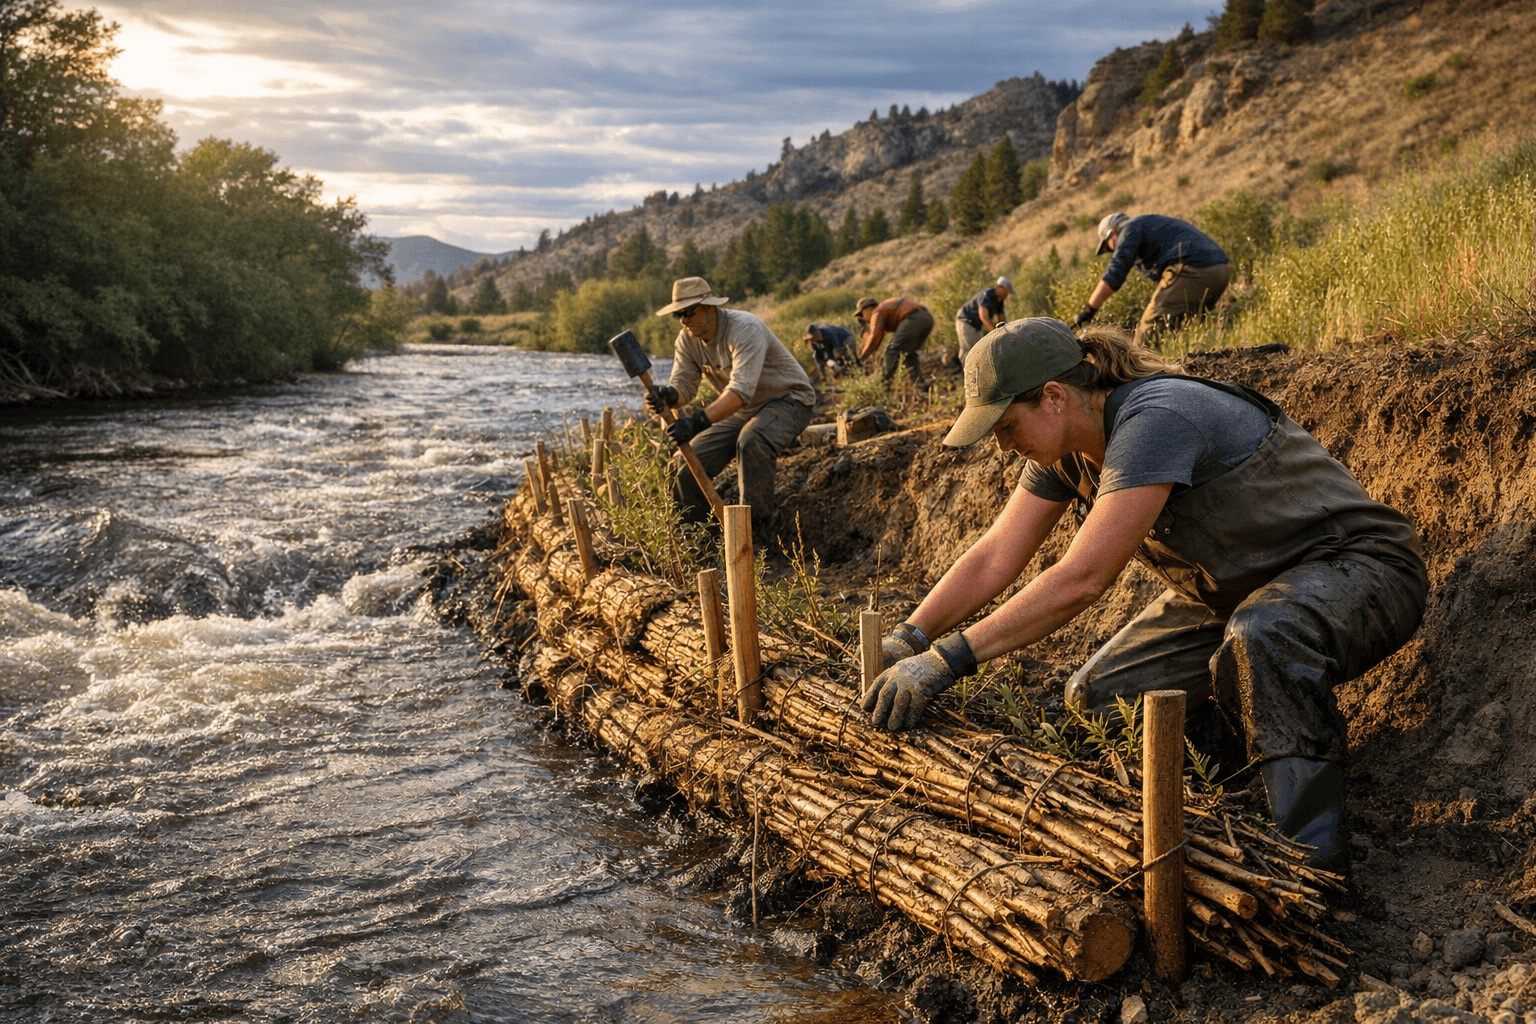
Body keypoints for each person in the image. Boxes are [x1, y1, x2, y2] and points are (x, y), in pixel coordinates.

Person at [862, 317, 1426, 871]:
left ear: (1054, 396)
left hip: (1358, 572)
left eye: (1007, 426)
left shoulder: (1156, 418)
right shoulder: (1069, 449)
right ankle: (1231, 803)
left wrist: (948, 660)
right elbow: (997, 553)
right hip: (1232, 594)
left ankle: (1312, 857)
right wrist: (910, 636)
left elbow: (1081, 578)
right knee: (1102, 696)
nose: (1005, 446)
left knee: (1264, 633)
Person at [649, 276, 816, 532]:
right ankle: (704, 537)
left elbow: (740, 391)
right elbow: (684, 386)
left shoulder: (745, 329)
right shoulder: (687, 339)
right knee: (686, 462)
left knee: (752, 442)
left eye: (688, 312)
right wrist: (667, 395)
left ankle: (754, 536)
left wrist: (697, 422)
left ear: (708, 307)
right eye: (678, 315)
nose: (683, 320)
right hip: (744, 410)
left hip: (790, 400)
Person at [1074, 212, 1231, 345]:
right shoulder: (1148, 225)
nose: (1112, 250)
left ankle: (1137, 375)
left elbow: (1114, 274)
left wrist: (1088, 311)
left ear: (1112, 233)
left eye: (1109, 246)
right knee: (1184, 326)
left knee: (1148, 330)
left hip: (1192, 268)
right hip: (1220, 270)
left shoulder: (1129, 229)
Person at [855, 296, 933, 388]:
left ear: (868, 308)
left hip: (913, 319)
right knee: (908, 355)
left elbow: (874, 337)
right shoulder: (884, 309)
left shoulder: (877, 311)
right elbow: (878, 338)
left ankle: (881, 384)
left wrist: (861, 358)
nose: (863, 318)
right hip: (927, 319)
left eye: (861, 314)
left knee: (893, 350)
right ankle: (921, 385)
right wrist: (870, 352)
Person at [954, 276, 1012, 365]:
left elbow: (1002, 319)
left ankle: (972, 375)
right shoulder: (987, 294)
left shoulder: (999, 301)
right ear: (1000, 288)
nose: (1007, 294)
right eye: (1007, 291)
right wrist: (996, 333)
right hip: (966, 321)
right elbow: (983, 317)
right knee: (973, 352)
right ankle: (969, 376)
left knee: (978, 351)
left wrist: (1005, 332)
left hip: (975, 325)